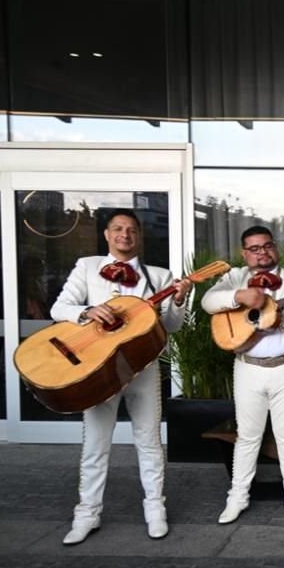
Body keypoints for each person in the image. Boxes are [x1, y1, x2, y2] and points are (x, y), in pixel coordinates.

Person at [51, 208, 192, 545]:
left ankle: (155, 510)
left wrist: (180, 299)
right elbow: (59, 309)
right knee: (96, 445)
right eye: (118, 229)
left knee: (149, 441)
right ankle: (86, 515)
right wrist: (86, 311)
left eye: (131, 230)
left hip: (141, 368)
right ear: (107, 235)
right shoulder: (87, 266)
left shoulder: (159, 275)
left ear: (139, 236)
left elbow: (171, 326)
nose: (125, 235)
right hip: (98, 371)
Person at [201, 226, 284, 524]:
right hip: (248, 365)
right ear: (245, 253)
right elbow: (208, 301)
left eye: (267, 246)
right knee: (247, 436)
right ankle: (237, 496)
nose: (262, 252)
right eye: (254, 248)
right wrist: (239, 296)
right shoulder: (235, 277)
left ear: (275, 248)